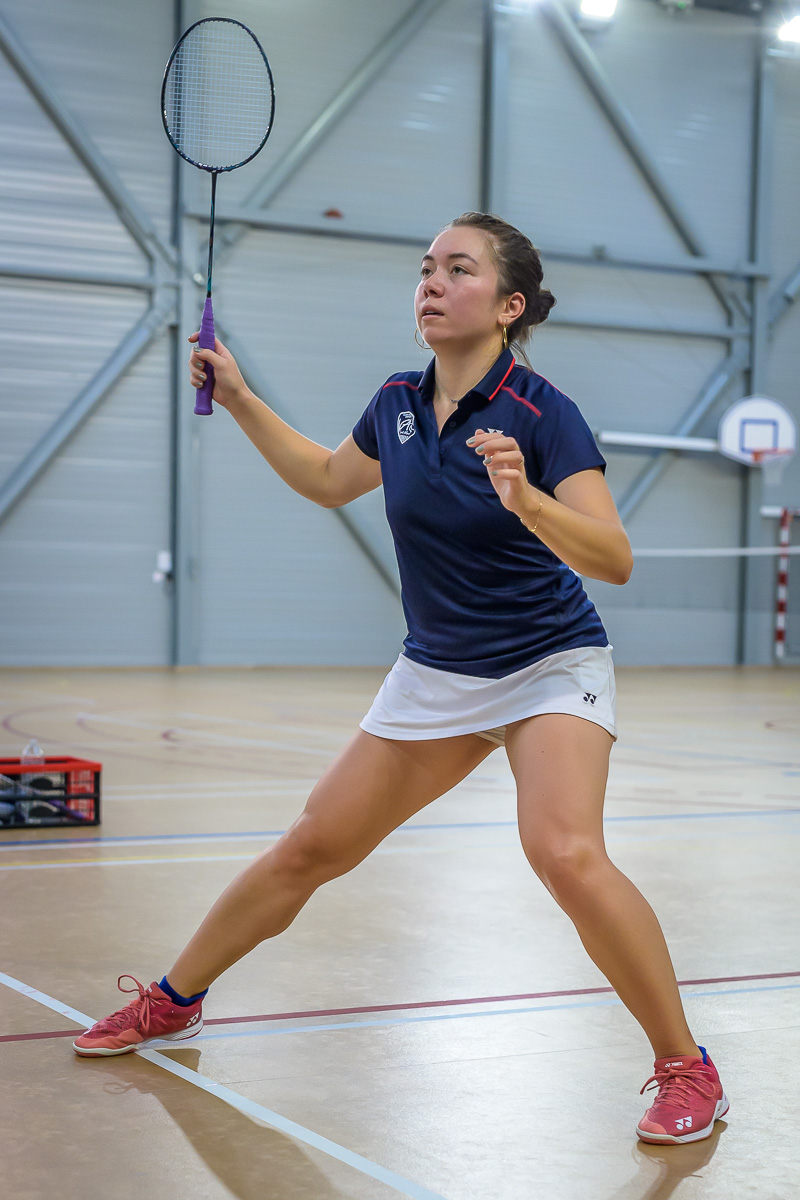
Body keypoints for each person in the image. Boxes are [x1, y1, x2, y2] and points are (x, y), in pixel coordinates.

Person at [73, 212, 728, 1147]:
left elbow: (614, 558)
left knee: (564, 853)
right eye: (426, 267)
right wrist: (242, 396)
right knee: (310, 847)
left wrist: (528, 501)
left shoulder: (543, 413)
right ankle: (174, 1001)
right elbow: (327, 479)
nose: (431, 283)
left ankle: (687, 1067)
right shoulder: (396, 401)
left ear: (508, 306)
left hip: (547, 663)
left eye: (458, 269)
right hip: (438, 669)